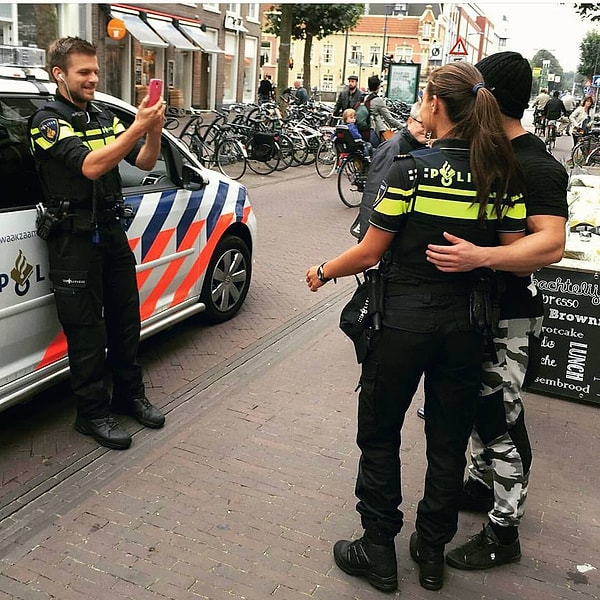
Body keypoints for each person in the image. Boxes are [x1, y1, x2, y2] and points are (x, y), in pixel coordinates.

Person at [306, 61, 527, 593]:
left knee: (380, 432)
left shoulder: (412, 168)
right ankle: (431, 553)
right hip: (465, 326)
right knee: (447, 440)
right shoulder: (501, 175)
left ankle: (377, 548)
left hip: (400, 322)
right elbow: (517, 251)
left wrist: (322, 271)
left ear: (433, 103)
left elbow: (370, 251)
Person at [425, 51, 568, 571]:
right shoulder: (473, 153)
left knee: (498, 420)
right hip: (469, 316)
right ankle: (486, 485)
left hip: (505, 317)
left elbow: (550, 245)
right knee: (478, 413)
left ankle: (504, 532)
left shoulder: (536, 164)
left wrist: (479, 257)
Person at [29, 37, 166, 450]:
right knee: (87, 333)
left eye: (95, 72)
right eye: (83, 73)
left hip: (110, 233)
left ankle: (129, 396)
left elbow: (142, 161)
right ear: (59, 75)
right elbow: (90, 166)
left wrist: (153, 131)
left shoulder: (103, 115)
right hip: (73, 241)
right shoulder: (47, 120)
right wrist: (138, 127)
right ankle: (91, 414)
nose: (93, 79)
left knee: (126, 322)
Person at [351, 101, 428, 241]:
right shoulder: (392, 148)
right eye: (422, 124)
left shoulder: (422, 148)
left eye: (430, 126)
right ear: (409, 121)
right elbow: (374, 191)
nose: (426, 130)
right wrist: (366, 236)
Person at [365, 75, 404, 145]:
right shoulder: (378, 101)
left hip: (364, 129)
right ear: (378, 87)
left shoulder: (365, 98)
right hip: (374, 130)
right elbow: (389, 119)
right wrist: (403, 127)